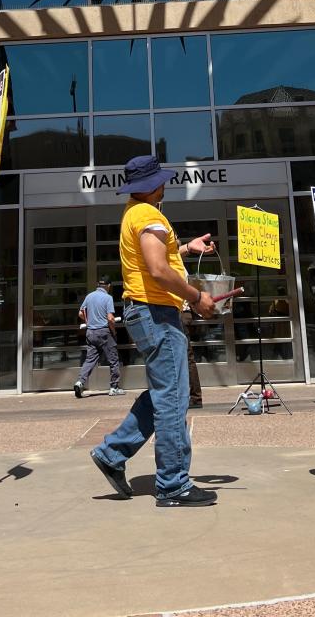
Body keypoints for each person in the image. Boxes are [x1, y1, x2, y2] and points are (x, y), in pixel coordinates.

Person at [90, 154, 219, 508]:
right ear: (153, 185)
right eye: (162, 180)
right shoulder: (149, 215)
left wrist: (185, 246)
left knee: (165, 392)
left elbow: (153, 260)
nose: (166, 184)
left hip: (146, 311)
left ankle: (112, 453)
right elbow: (159, 270)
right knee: (174, 398)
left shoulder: (135, 213)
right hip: (156, 312)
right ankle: (173, 484)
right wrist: (197, 298)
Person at [74, 277, 124, 398]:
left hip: (91, 332)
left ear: (98, 285)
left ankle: (80, 382)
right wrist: (114, 331)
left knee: (90, 360)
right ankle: (114, 387)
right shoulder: (108, 298)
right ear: (108, 286)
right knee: (113, 359)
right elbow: (110, 318)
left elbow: (80, 312)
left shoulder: (89, 296)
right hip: (104, 332)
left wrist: (89, 321)